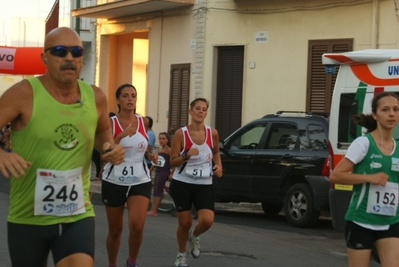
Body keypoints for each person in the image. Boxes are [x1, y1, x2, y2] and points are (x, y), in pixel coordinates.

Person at [0, 27, 124, 267]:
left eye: (76, 51)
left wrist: (108, 147)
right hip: (28, 217)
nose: (69, 58)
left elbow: (101, 132)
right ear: (44, 58)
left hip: (76, 214)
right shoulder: (23, 94)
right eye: (60, 51)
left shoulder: (96, 97)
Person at [330, 92, 399, 267]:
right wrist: (370, 178)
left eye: (396, 109)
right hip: (360, 220)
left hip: (390, 220)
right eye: (385, 109)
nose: (392, 114)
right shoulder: (363, 144)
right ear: (375, 115)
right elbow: (336, 175)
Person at [101, 83, 157, 267]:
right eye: (125, 96)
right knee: (116, 230)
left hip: (139, 179)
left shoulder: (143, 122)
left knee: (137, 226)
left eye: (133, 95)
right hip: (114, 179)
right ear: (118, 100)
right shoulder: (110, 123)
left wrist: (150, 155)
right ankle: (112, 264)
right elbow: (106, 151)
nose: (130, 99)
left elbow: (142, 146)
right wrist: (122, 135)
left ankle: (132, 262)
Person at [169, 98, 223, 267]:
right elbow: (173, 161)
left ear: (206, 113)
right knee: (184, 222)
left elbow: (215, 152)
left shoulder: (212, 133)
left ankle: (194, 236)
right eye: (197, 108)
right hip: (182, 183)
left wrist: (219, 166)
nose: (201, 112)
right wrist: (186, 155)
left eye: (204, 109)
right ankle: (181, 255)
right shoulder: (181, 134)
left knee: (207, 221)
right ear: (190, 111)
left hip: (204, 184)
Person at [147, 132, 174, 216]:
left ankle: (154, 210)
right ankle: (153, 209)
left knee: (158, 189)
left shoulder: (169, 150)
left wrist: (171, 173)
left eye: (163, 139)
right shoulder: (160, 150)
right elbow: (156, 162)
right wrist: (150, 169)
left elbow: (173, 162)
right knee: (155, 189)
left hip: (164, 171)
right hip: (158, 171)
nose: (161, 140)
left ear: (167, 140)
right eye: (160, 138)